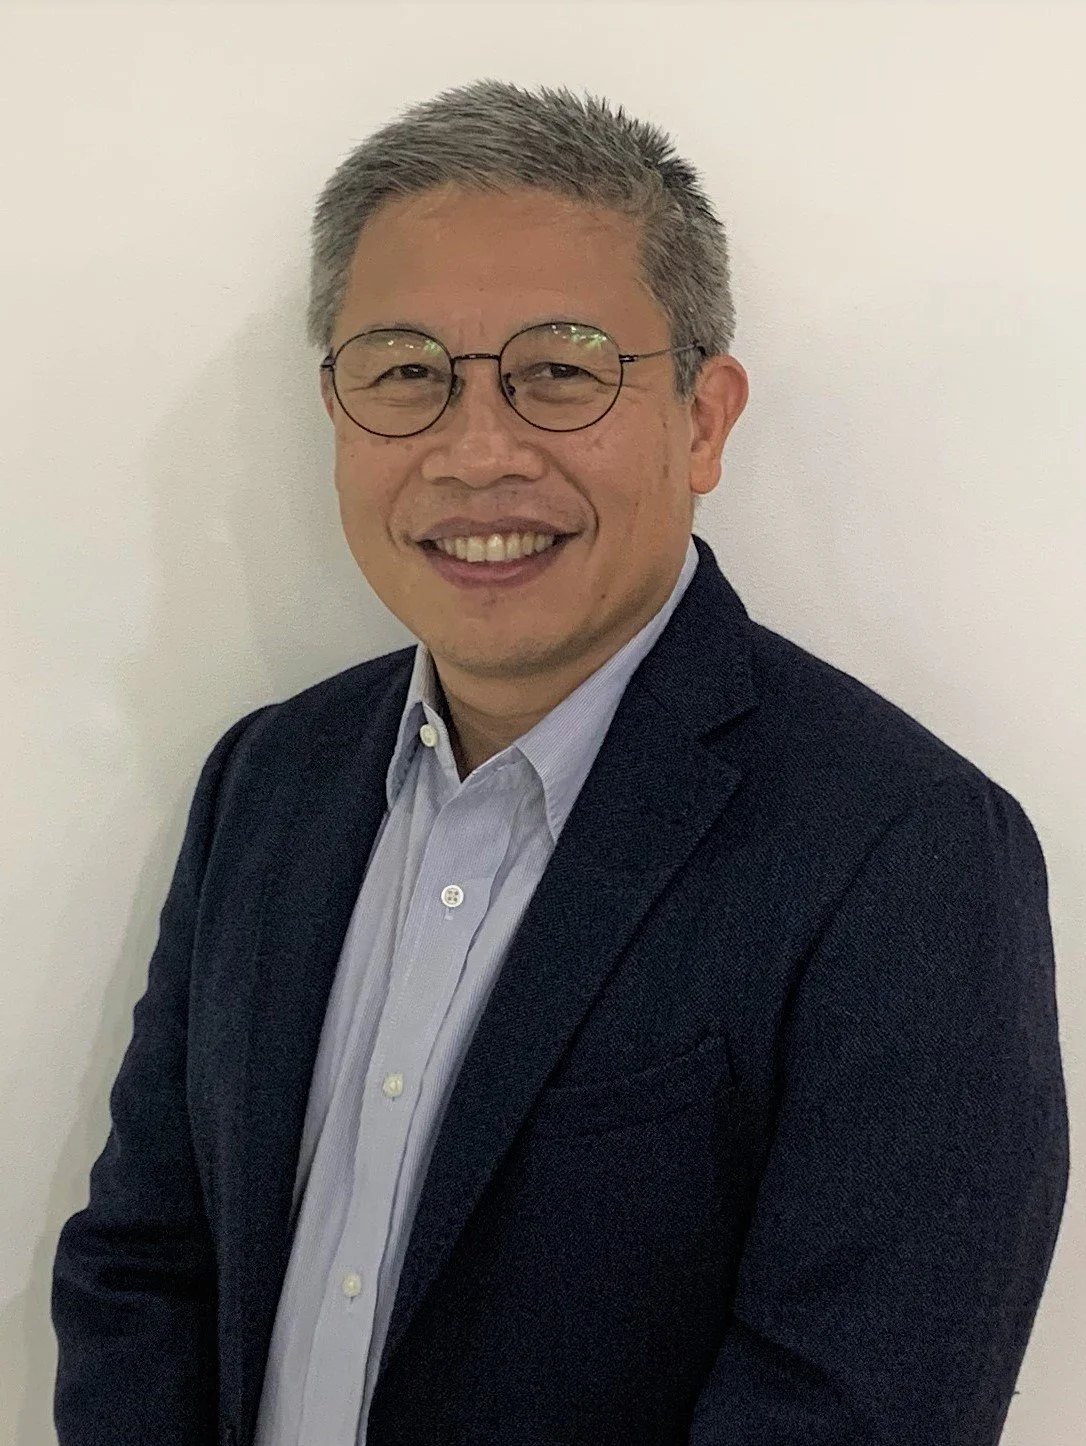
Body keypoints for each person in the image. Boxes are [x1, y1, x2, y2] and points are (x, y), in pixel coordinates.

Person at [51, 80, 1069, 1446]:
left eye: (562, 368)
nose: (478, 451)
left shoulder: (906, 850)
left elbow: (859, 1404)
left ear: (703, 419)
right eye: (406, 372)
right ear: (336, 411)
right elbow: (141, 1265)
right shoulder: (267, 779)